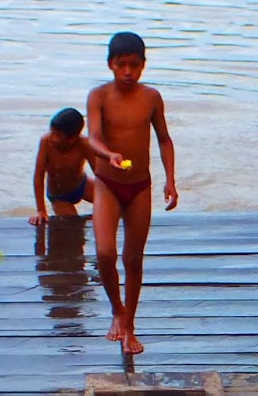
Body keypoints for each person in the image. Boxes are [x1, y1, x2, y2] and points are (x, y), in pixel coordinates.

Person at [85, 32, 177, 356]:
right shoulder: (98, 96)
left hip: (140, 185)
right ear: (110, 64)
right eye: (121, 64)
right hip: (107, 183)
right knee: (106, 253)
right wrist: (107, 154)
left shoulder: (151, 97)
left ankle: (130, 324)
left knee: (133, 258)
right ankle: (116, 310)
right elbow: (92, 137)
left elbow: (164, 139)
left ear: (143, 66)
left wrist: (170, 180)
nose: (127, 72)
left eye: (134, 65)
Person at [31, 107, 95, 225]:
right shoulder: (46, 143)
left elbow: (99, 174)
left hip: (83, 185)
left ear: (72, 138)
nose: (52, 137)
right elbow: (38, 177)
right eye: (51, 132)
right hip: (59, 196)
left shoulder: (84, 144)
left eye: (57, 135)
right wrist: (41, 210)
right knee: (72, 224)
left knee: (117, 204)